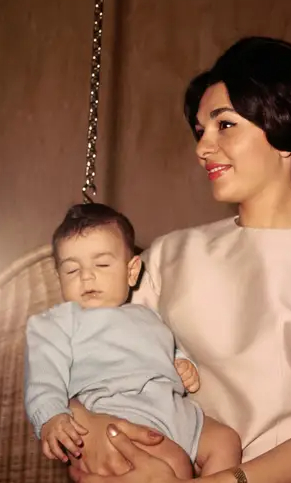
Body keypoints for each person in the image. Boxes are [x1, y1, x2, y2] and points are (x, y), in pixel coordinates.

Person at [67, 37, 291, 483]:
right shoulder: (169, 254)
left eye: (225, 125)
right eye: (201, 130)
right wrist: (89, 426)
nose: (202, 147)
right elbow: (102, 373)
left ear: (282, 126)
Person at [25, 203, 241, 478]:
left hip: (176, 411)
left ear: (131, 271)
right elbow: (43, 378)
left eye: (102, 264)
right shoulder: (57, 324)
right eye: (71, 270)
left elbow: (166, 347)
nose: (87, 276)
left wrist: (182, 362)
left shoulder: (148, 315)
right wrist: (51, 416)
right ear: (59, 278)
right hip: (120, 414)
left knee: (226, 442)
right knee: (173, 465)